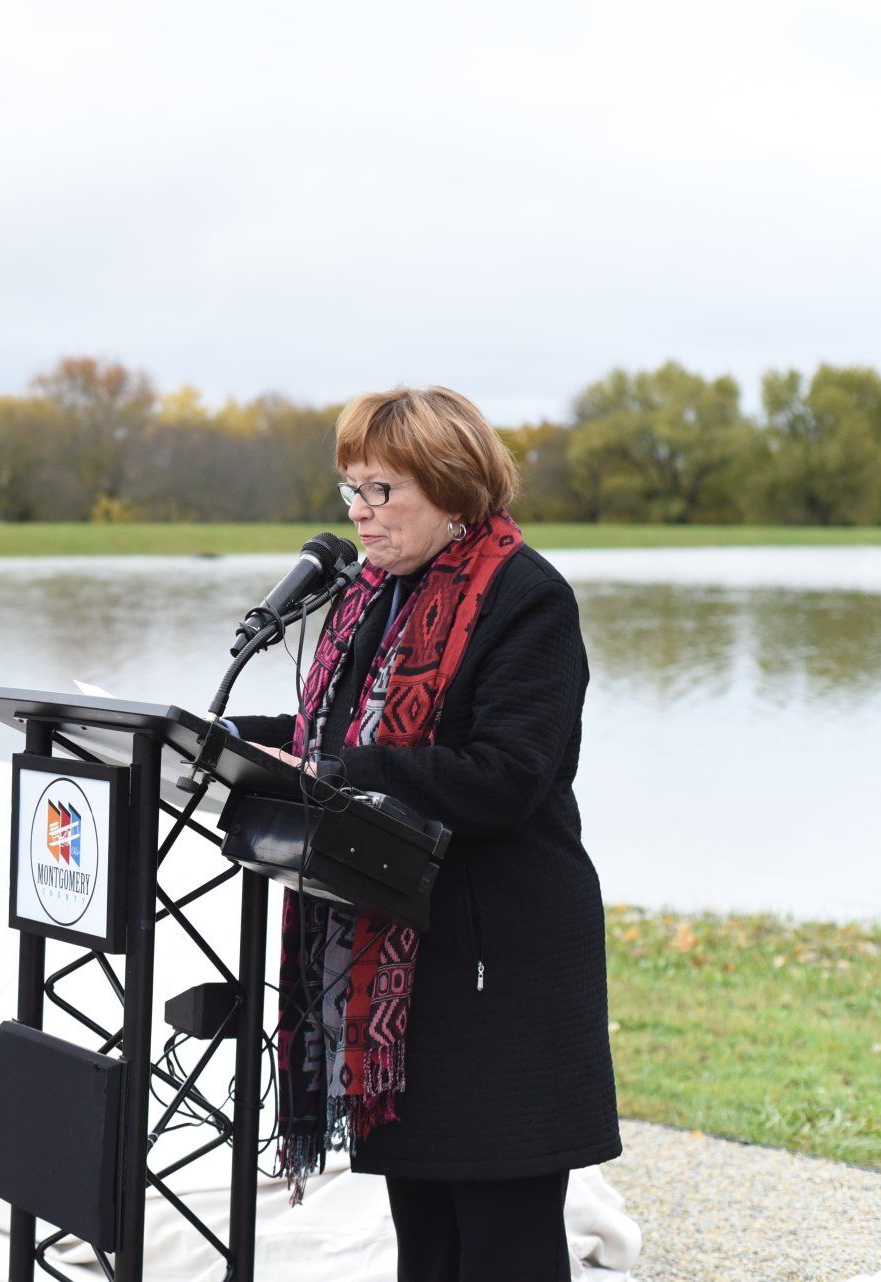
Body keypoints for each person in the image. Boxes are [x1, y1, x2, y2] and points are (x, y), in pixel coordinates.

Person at [225, 387, 620, 1282]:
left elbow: (504, 779)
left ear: (450, 486)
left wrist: (337, 772)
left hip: (499, 961)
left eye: (382, 491)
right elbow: (339, 738)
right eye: (350, 492)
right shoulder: (375, 597)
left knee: (501, 1241)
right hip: (398, 951)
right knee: (428, 1241)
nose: (360, 515)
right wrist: (230, 738)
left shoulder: (527, 597)